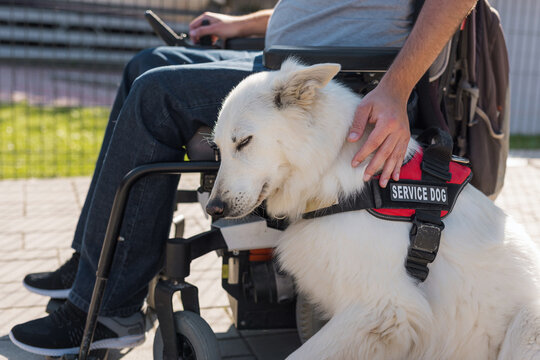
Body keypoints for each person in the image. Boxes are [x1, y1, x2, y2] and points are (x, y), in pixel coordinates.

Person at [9, 0, 478, 356]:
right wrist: (241, 25)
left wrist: (395, 89)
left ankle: (109, 309)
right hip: (278, 66)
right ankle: (94, 260)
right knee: (144, 64)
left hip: (339, 82)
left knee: (157, 95)